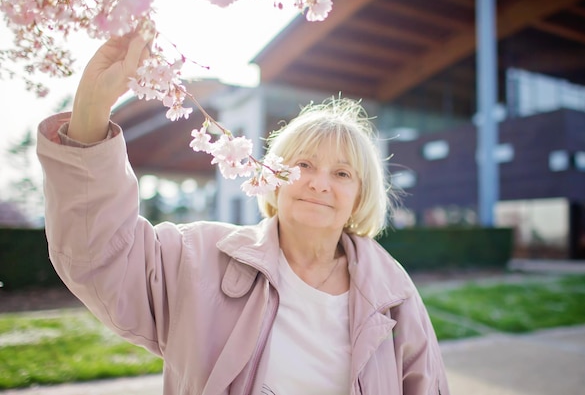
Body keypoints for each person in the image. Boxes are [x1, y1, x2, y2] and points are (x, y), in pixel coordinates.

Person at [37, 32, 450, 395]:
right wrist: (91, 110)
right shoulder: (196, 257)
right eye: (303, 165)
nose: (318, 183)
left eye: (341, 173)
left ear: (360, 196)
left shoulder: (393, 293)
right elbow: (99, 253)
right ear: (271, 175)